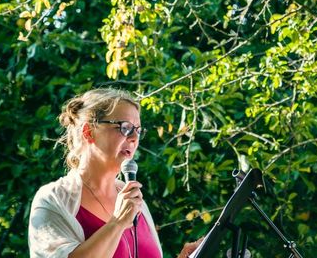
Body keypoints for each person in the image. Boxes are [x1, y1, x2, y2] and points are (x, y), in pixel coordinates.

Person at [28, 88, 200, 258]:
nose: (134, 138)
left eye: (138, 130)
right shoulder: (53, 200)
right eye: (125, 128)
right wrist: (117, 222)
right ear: (88, 132)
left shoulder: (136, 201)